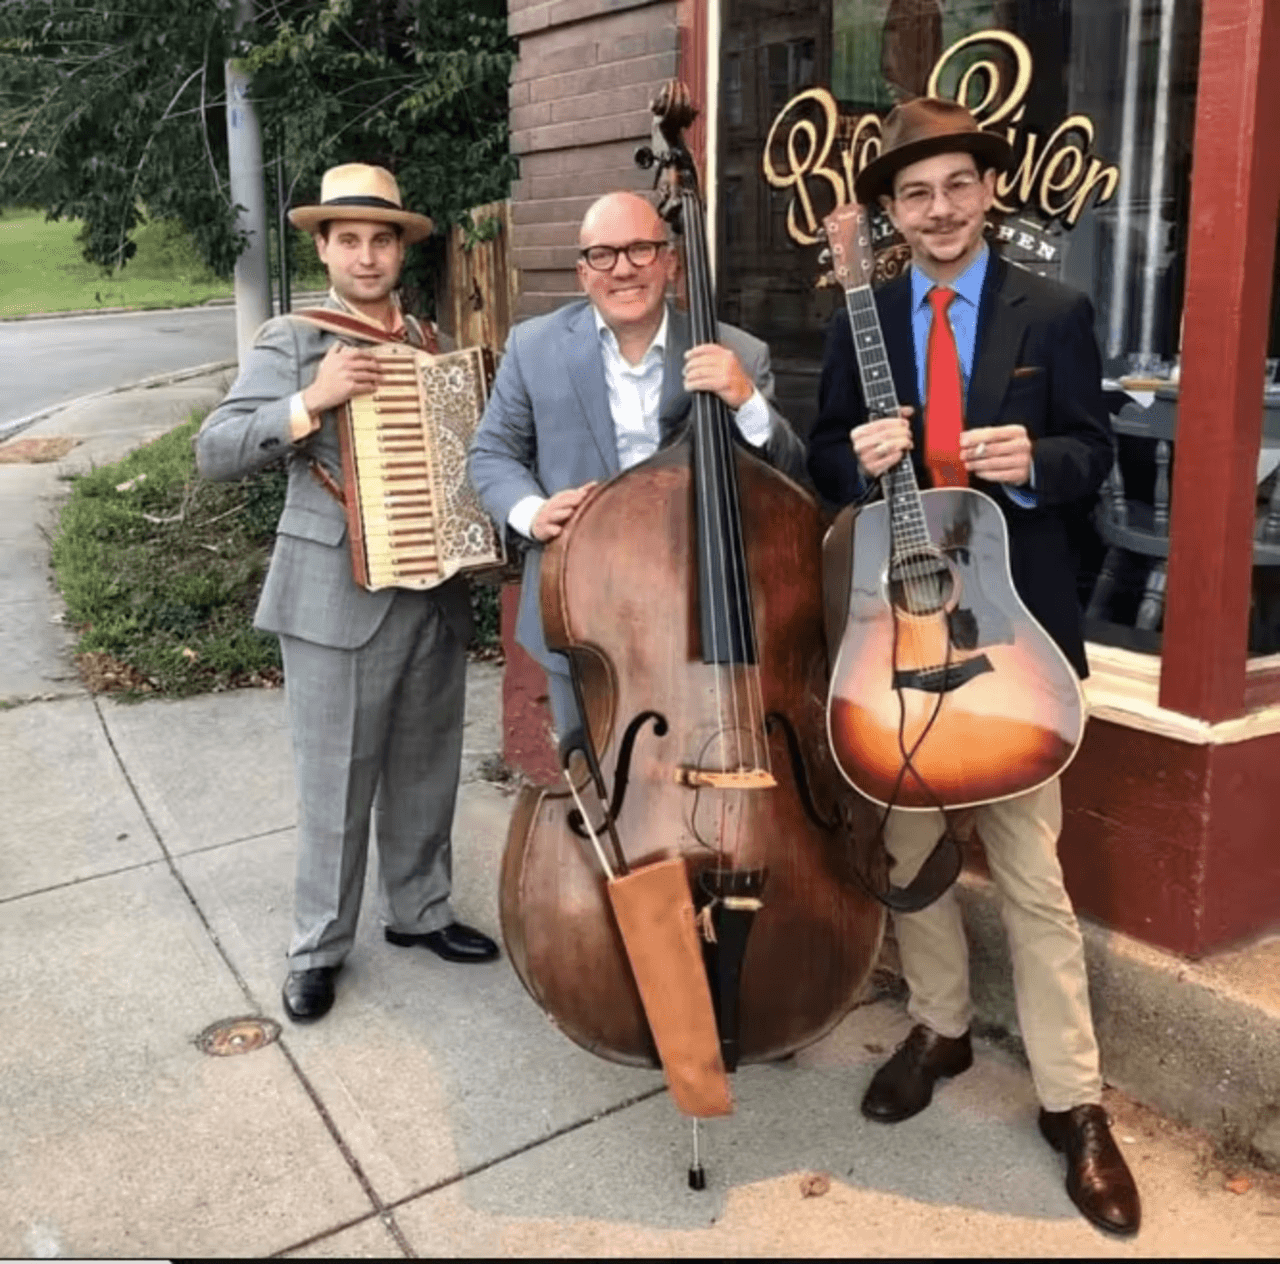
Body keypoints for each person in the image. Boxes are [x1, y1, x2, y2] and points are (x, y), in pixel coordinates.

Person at [807, 98, 1140, 1237]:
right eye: (913, 193)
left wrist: (1034, 458)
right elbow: (817, 448)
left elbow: (1093, 456)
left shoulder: (1052, 311)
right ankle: (940, 1027)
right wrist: (853, 459)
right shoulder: (863, 314)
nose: (937, 209)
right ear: (889, 214)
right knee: (908, 857)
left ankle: (1072, 1102)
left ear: (986, 191)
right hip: (896, 632)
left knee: (1031, 873)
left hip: (1008, 634)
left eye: (955, 185)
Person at [196, 163, 498, 1026]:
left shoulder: (434, 340)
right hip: (333, 591)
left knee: (426, 762)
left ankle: (420, 912)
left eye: (382, 240)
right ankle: (318, 947)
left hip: (431, 586)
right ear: (324, 249)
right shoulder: (293, 339)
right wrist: (310, 401)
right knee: (334, 777)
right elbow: (217, 451)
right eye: (350, 240)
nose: (367, 257)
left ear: (401, 250)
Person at [467, 189, 807, 736]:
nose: (623, 269)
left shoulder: (736, 351)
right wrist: (533, 513)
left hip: (700, 610)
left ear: (671, 263)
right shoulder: (534, 348)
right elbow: (491, 454)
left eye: (641, 250)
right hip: (578, 608)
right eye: (603, 255)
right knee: (590, 775)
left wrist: (747, 401)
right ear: (583, 273)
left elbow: (788, 475)